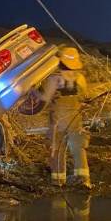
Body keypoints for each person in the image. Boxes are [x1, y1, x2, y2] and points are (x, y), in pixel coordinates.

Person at [40, 47, 91, 188]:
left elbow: (45, 99)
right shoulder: (80, 78)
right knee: (78, 149)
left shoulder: (54, 79)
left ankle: (58, 181)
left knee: (57, 150)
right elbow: (85, 97)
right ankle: (83, 179)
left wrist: (33, 92)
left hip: (58, 121)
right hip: (75, 119)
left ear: (60, 62)